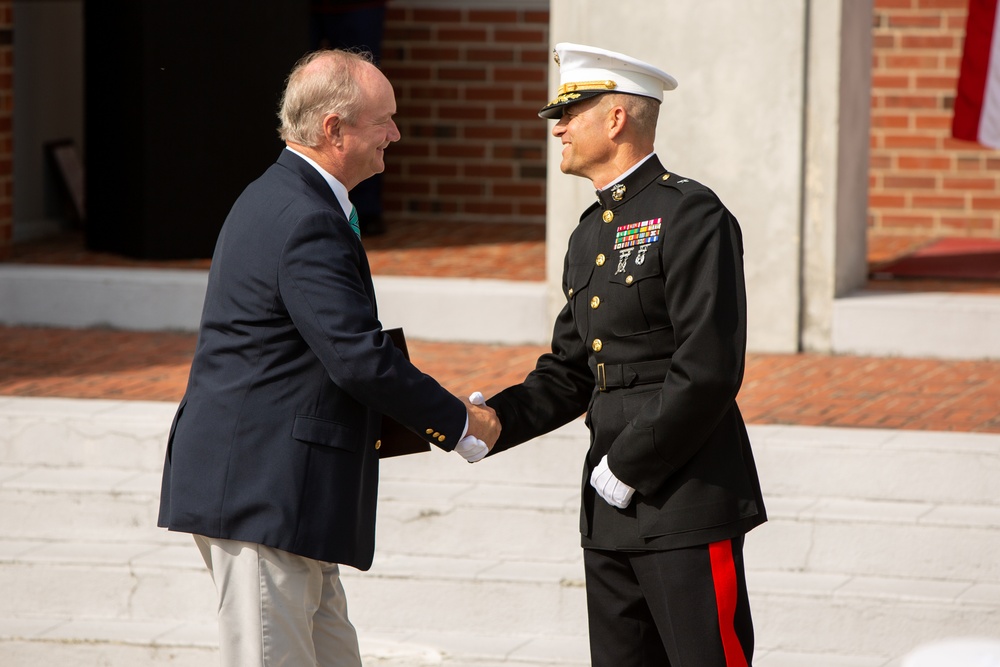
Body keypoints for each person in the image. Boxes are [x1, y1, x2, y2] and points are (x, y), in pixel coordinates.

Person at [157, 49, 499, 667]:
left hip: (292, 497)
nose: (395, 133)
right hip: (264, 494)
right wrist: (459, 423)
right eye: (383, 120)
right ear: (333, 128)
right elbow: (358, 358)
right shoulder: (302, 215)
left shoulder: (292, 198)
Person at [479, 43, 767, 666]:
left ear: (615, 120)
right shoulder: (591, 232)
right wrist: (493, 423)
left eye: (571, 111)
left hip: (682, 497)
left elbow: (708, 368)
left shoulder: (691, 214)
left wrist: (629, 464)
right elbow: (569, 371)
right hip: (609, 512)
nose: (557, 125)